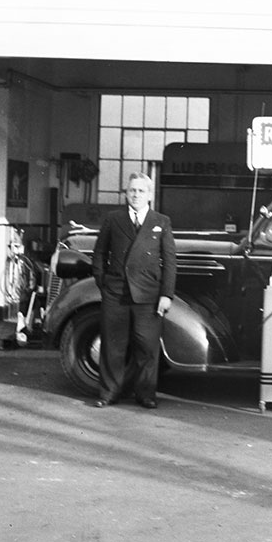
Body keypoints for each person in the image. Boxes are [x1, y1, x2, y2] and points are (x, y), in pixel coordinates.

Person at [91, 172, 176, 409]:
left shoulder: (161, 222)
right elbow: (99, 253)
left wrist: (166, 295)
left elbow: (170, 261)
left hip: (148, 296)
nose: (136, 195)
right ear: (126, 193)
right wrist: (103, 282)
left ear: (149, 195)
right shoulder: (113, 219)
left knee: (147, 348)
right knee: (113, 347)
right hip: (116, 294)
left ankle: (145, 394)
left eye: (141, 191)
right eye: (132, 190)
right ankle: (108, 393)